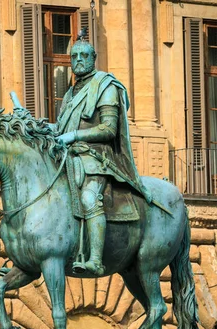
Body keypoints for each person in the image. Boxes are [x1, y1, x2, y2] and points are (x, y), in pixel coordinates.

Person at [55, 29, 151, 276]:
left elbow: (109, 128)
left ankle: (95, 259)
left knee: (89, 199)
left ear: (93, 57)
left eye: (83, 55)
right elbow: (62, 128)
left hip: (97, 159)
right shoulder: (71, 93)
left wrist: (74, 136)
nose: (77, 60)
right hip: (69, 157)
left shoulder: (106, 86)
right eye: (74, 56)